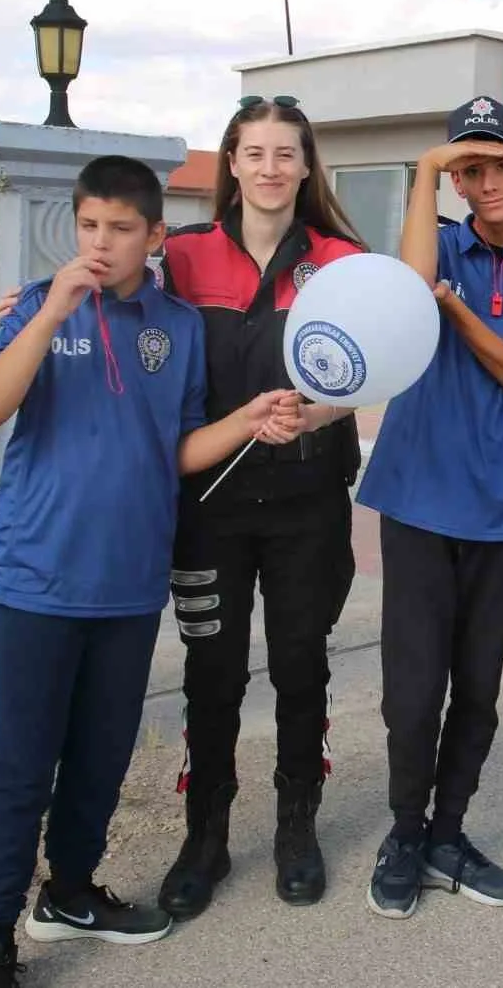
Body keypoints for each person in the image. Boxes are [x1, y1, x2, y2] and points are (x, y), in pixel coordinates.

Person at [0, 156, 295, 987]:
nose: (100, 243)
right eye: (87, 227)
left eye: (118, 229)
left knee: (102, 755)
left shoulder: (175, 327)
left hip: (130, 581)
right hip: (39, 575)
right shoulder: (39, 305)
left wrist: (247, 420)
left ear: (154, 236)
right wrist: (48, 316)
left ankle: (70, 891)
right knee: (21, 759)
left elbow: (176, 449)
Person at [356, 96, 503, 918]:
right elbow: (410, 288)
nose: (484, 181)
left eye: (496, 163)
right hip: (417, 497)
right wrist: (424, 171)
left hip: (498, 504)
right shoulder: (437, 246)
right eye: (467, 168)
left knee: (479, 689)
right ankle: (404, 833)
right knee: (411, 688)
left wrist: (456, 306)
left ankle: (448, 834)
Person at [151, 96, 369, 919]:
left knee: (299, 666)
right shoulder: (183, 256)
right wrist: (36, 304)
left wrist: (320, 412)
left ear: (307, 166)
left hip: (308, 500)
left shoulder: (341, 260)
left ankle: (295, 828)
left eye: (287, 153)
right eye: (255, 152)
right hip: (208, 504)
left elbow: (374, 367)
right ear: (231, 163)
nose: (272, 168)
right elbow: (120, 301)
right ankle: (204, 836)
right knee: (211, 675)